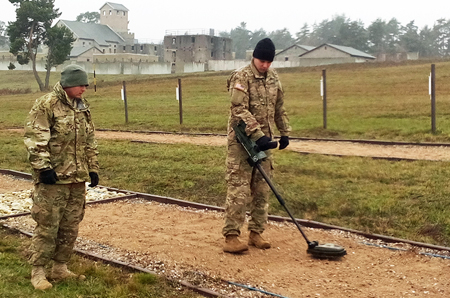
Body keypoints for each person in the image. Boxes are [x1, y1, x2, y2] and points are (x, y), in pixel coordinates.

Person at [24, 64, 99, 290]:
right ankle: (38, 271)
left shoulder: (82, 107)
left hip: (77, 179)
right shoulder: (47, 105)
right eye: (80, 84)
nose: (84, 89)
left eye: (86, 84)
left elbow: (89, 141)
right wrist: (43, 168)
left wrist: (93, 168)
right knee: (47, 226)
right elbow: (35, 137)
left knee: (70, 226)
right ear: (67, 84)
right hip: (53, 179)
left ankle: (60, 268)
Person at [222, 38, 291, 253]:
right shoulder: (241, 77)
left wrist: (284, 132)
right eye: (262, 61)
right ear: (254, 57)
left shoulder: (273, 78)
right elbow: (238, 110)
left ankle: (256, 233)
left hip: (265, 143)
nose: (265, 65)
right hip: (241, 142)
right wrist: (257, 134)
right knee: (239, 189)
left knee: (262, 189)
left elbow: (279, 107)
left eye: (269, 62)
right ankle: (231, 236)